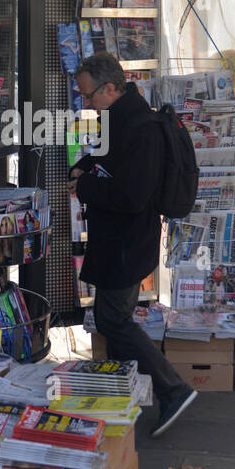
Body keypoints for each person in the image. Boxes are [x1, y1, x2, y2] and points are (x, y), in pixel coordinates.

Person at [69, 52, 196, 437]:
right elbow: (109, 164)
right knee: (112, 318)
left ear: (111, 88)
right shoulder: (120, 119)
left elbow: (132, 195)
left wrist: (86, 185)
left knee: (113, 319)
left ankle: (173, 389)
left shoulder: (140, 127)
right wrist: (87, 167)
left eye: (90, 96)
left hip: (127, 242)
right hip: (117, 241)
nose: (86, 104)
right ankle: (128, 396)